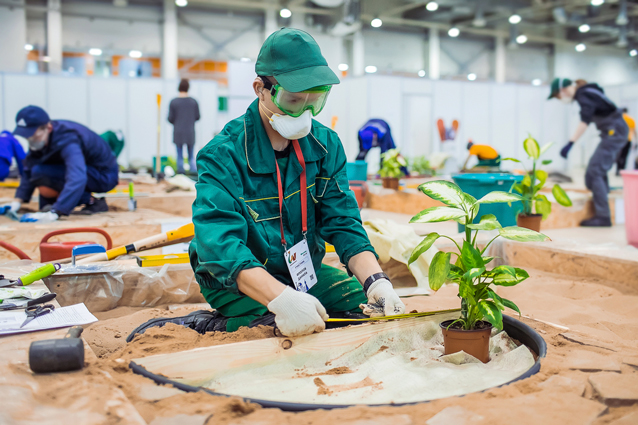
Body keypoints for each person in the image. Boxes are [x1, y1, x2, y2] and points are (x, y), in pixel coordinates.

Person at [128, 28, 405, 340]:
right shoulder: (223, 155)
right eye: (294, 100)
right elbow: (220, 246)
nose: (305, 112)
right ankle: (209, 323)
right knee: (275, 326)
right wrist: (282, 299)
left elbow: (343, 222)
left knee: (357, 309)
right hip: (235, 278)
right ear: (261, 88)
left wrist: (376, 282)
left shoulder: (326, 145)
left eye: (316, 100)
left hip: (299, 272)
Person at [0, 106, 119, 222]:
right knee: (38, 172)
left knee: (41, 173)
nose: (31, 140)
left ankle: (91, 201)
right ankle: (53, 204)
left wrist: (56, 212)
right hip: (85, 171)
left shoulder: (68, 139)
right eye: (28, 137)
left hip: (103, 175)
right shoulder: (41, 140)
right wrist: (17, 202)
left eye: (33, 136)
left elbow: (77, 177)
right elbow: (28, 168)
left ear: (48, 128)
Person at [549, 78, 629, 227]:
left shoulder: (583, 94)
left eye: (558, 97)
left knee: (595, 171)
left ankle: (603, 216)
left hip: (614, 131)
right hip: (612, 131)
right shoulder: (589, 92)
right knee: (594, 173)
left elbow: (584, 121)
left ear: (563, 90)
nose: (561, 100)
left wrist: (570, 143)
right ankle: (604, 206)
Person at [168, 79, 200, 174]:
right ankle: (193, 173)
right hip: (190, 132)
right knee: (191, 155)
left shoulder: (173, 102)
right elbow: (197, 117)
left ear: (179, 88)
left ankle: (181, 173)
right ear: (188, 88)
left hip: (178, 132)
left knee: (179, 155)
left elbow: (170, 118)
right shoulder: (193, 102)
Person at [616, 108, 636, 174]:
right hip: (628, 140)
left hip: (619, 140)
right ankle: (622, 170)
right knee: (625, 156)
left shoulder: (619, 119)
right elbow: (634, 131)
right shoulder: (631, 119)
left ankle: (617, 170)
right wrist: (636, 140)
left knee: (618, 155)